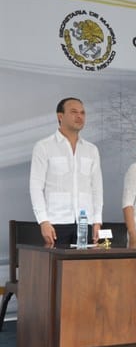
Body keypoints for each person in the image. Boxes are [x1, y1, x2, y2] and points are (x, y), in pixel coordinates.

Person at [30, 97, 103, 246]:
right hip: (56, 223)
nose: (79, 116)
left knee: (84, 268)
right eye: (74, 112)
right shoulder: (44, 146)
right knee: (57, 268)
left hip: (85, 223)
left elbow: (97, 188)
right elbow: (36, 186)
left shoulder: (91, 150)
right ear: (60, 116)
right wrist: (43, 221)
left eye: (83, 113)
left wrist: (97, 221)